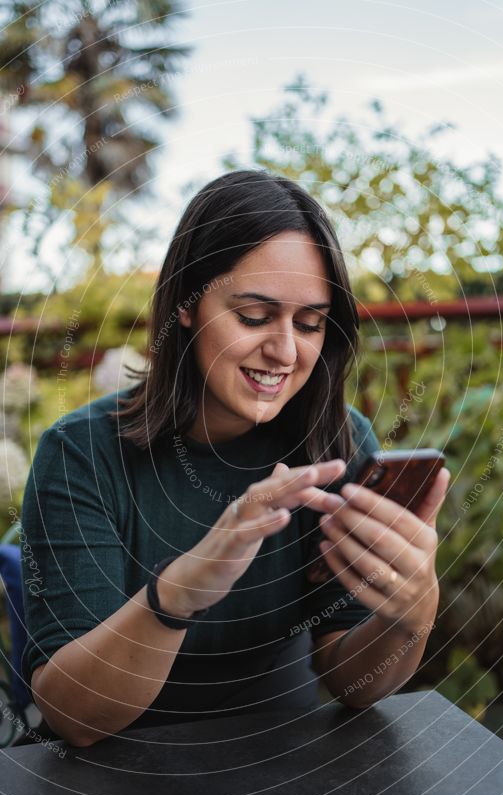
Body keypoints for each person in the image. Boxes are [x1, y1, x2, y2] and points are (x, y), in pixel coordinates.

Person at [21, 170, 450, 747]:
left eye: (310, 323)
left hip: (287, 766)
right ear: (186, 305)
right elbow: (73, 716)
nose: (285, 350)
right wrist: (180, 593)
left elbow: (354, 683)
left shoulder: (337, 442)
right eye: (253, 316)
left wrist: (412, 613)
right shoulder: (80, 453)